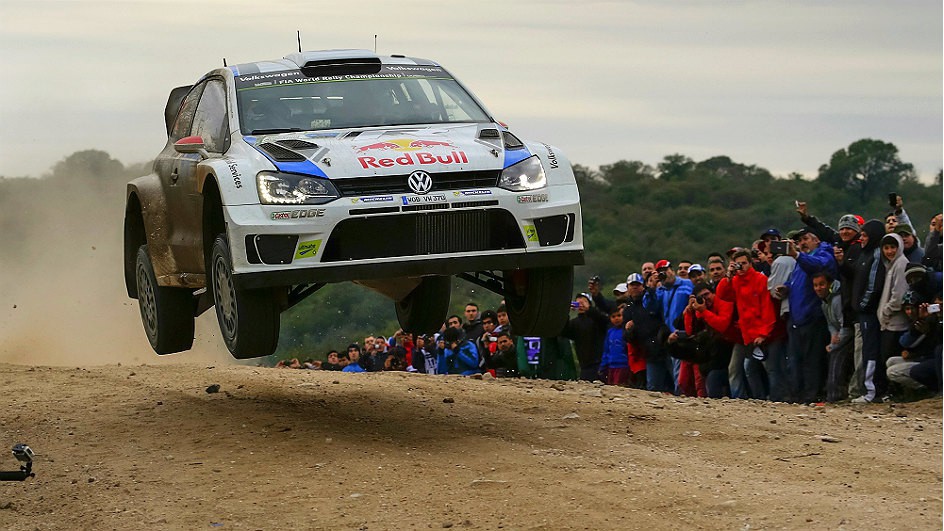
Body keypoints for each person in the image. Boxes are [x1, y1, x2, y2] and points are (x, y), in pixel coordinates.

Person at [784, 228, 838, 403]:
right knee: (795, 361)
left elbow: (819, 266)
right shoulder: (801, 261)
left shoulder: (822, 254)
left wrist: (798, 255)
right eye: (799, 241)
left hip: (812, 317)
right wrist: (785, 287)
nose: (802, 243)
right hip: (796, 319)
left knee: (811, 361)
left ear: (816, 240)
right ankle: (796, 395)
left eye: (805, 238)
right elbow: (796, 280)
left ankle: (811, 395)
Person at [729, 249, 777, 400]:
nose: (741, 267)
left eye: (744, 263)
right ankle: (759, 399)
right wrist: (728, 278)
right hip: (747, 334)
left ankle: (778, 398)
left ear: (751, 263)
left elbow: (767, 308)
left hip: (761, 333)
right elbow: (724, 296)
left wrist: (764, 333)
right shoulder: (735, 281)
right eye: (738, 264)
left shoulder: (760, 280)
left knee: (769, 368)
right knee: (749, 368)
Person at [851, 220, 889, 403]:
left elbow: (873, 286)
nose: (861, 239)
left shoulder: (875, 255)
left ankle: (871, 392)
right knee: (867, 350)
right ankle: (870, 390)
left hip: (869, 312)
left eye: (865, 235)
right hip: (863, 312)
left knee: (870, 351)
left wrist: (862, 305)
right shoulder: (864, 254)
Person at [682, 282, 738, 398]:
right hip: (715, 351)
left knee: (730, 375)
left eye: (707, 294)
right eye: (701, 297)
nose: (705, 298)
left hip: (733, 343)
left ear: (713, 293)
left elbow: (722, 325)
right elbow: (690, 331)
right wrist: (689, 311)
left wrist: (704, 311)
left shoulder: (723, 302)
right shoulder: (702, 307)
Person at [655, 259, 693, 394]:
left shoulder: (687, 284)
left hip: (682, 333)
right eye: (661, 272)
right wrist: (651, 289)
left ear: (672, 270)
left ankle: (680, 395)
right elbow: (650, 309)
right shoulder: (660, 290)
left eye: (666, 270)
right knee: (672, 369)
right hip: (668, 335)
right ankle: (678, 394)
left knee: (680, 370)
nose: (665, 274)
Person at [812, 272, 852, 402]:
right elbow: (830, 323)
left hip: (849, 336)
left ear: (829, 284)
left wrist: (834, 344)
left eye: (822, 284)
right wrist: (833, 337)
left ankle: (836, 396)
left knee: (837, 358)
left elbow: (845, 324)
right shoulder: (824, 302)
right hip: (839, 336)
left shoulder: (836, 300)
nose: (818, 288)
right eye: (816, 285)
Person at [622, 273, 666, 391]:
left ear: (643, 286)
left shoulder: (650, 301)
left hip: (664, 346)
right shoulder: (627, 309)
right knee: (653, 388)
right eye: (632, 285)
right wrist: (629, 331)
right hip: (646, 353)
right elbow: (626, 337)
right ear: (627, 288)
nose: (635, 287)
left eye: (638, 285)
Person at [562, 293, 609, 381]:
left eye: (583, 301)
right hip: (584, 364)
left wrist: (589, 309)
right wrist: (566, 312)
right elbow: (564, 332)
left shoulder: (596, 319)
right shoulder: (574, 322)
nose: (581, 305)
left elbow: (603, 320)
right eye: (578, 302)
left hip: (600, 362)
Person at [599, 307, 630, 386]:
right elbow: (606, 350)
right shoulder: (610, 332)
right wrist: (603, 365)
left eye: (619, 316)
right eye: (613, 317)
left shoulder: (625, 331)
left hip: (623, 365)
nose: (616, 318)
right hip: (611, 365)